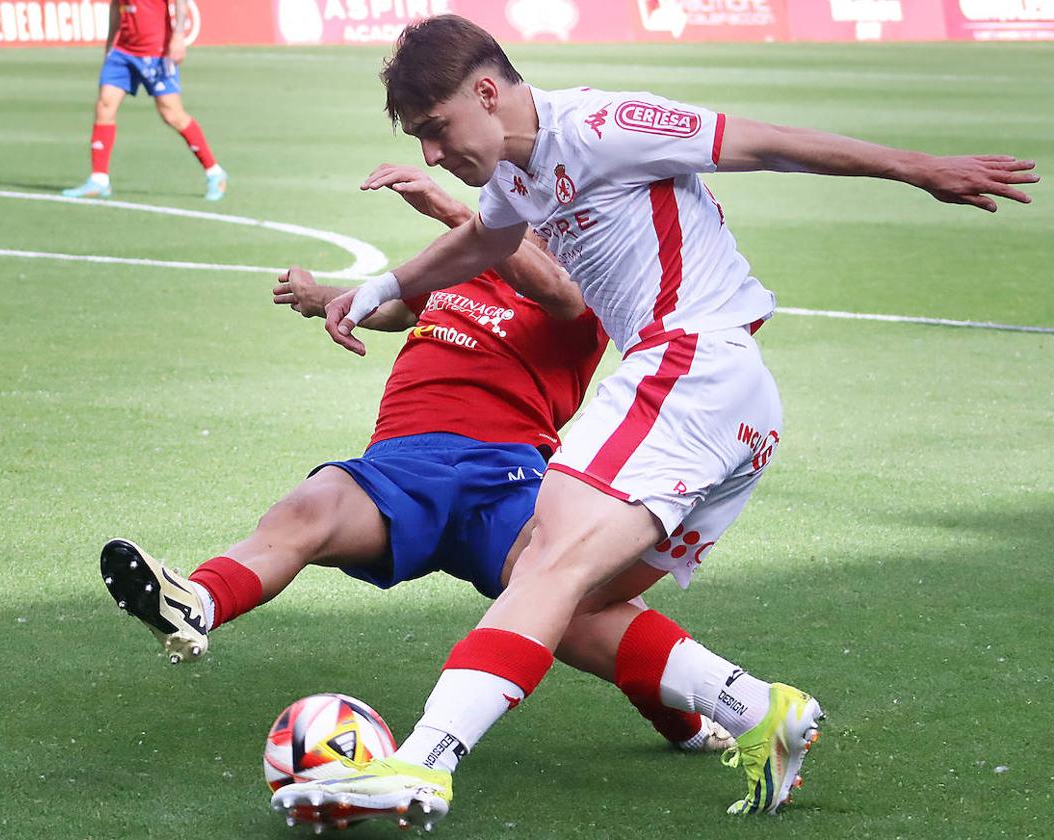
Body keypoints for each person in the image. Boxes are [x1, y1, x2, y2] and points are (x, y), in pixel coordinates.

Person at [270, 14, 1040, 829]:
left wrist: (922, 169)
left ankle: (421, 766)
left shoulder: (604, 125)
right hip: (727, 406)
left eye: (436, 128)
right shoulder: (513, 181)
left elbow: (763, 141)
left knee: (544, 572)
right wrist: (379, 291)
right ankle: (758, 712)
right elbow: (478, 245)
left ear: (487, 93)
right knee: (568, 596)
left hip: (690, 365)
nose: (431, 154)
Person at [99, 165, 754, 796]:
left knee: (577, 601)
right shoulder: (464, 261)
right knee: (307, 510)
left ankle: (689, 716)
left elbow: (561, 294)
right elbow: (397, 306)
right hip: (403, 465)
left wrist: (453, 213)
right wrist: (323, 298)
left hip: (510, 475)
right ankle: (195, 605)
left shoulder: (586, 279)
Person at [62, 0, 227, 201]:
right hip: (123, 52)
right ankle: (99, 179)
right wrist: (109, 45)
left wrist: (178, 36)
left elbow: (180, 2)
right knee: (105, 105)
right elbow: (116, 6)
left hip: (156, 51)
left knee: (172, 114)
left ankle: (214, 172)